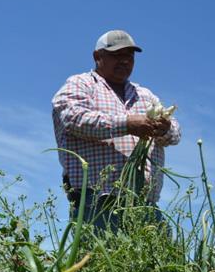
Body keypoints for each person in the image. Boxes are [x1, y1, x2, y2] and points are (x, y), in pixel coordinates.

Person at [51, 30, 181, 230]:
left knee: (152, 261)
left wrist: (165, 128)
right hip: (97, 201)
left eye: (129, 56)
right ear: (97, 57)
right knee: (101, 259)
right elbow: (72, 118)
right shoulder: (81, 84)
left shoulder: (144, 95)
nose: (124, 61)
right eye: (116, 55)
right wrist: (127, 124)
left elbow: (175, 134)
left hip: (144, 204)